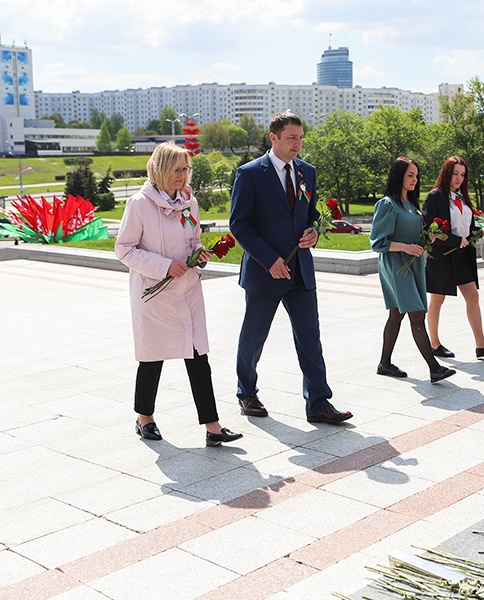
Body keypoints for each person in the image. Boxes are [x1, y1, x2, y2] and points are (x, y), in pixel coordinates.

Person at [116, 142, 242, 446]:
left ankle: (213, 427)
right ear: (160, 169)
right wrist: (163, 266)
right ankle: (144, 418)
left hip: (187, 290)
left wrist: (200, 253)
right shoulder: (139, 204)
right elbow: (124, 249)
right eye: (177, 169)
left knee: (199, 356)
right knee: (152, 357)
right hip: (154, 293)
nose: (182, 175)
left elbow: (193, 240)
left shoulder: (189, 202)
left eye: (186, 169)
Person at [230, 112, 352, 425]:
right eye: (291, 138)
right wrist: (269, 260)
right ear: (273, 138)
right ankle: (247, 393)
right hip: (264, 271)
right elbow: (239, 225)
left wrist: (312, 231)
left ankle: (318, 403)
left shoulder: (306, 172)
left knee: (310, 337)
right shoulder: (250, 174)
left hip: (300, 270)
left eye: (300, 137)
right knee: (253, 338)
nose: (297, 143)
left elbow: (308, 214)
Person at [369, 157, 456, 383]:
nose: (415, 180)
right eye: (410, 175)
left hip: (413, 263)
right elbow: (377, 242)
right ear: (398, 176)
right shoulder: (387, 204)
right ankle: (434, 368)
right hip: (397, 265)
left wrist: (427, 238)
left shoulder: (411, 204)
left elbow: (412, 233)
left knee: (397, 314)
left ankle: (385, 364)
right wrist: (405, 247)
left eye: (416, 176)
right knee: (417, 314)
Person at [422, 157, 484, 359]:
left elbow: (466, 226)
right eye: (455, 173)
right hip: (442, 255)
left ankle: (481, 344)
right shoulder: (434, 197)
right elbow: (428, 230)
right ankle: (434, 344)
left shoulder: (463, 197)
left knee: (473, 296)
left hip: (463, 255)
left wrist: (480, 231)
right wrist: (453, 240)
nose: (459, 178)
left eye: (462, 174)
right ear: (446, 173)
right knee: (437, 299)